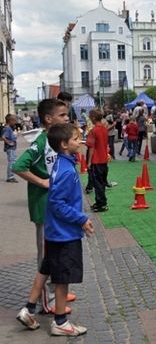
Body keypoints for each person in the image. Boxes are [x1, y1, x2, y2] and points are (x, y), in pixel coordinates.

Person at [16, 123, 93, 336]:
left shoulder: (61, 163)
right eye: (76, 139)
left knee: (46, 269)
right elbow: (57, 203)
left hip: (54, 232)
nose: (80, 141)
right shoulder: (67, 170)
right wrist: (81, 219)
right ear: (64, 144)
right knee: (62, 277)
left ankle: (28, 309)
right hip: (64, 234)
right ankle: (60, 321)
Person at [12, 98, 72, 314]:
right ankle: (47, 301)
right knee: (47, 255)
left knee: (56, 250)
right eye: (62, 115)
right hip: (44, 208)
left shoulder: (54, 140)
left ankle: (57, 292)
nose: (67, 118)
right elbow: (18, 166)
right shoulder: (40, 142)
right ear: (48, 119)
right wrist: (42, 182)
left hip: (56, 206)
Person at [86, 109, 109, 212]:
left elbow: (91, 147)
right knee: (102, 182)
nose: (90, 118)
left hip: (96, 160)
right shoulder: (104, 129)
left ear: (94, 118)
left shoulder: (93, 131)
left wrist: (89, 161)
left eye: (90, 117)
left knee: (97, 183)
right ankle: (100, 202)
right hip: (104, 160)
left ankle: (101, 204)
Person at [2, 113, 18, 182]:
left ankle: (11, 176)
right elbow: (3, 137)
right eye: (14, 121)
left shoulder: (9, 128)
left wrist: (15, 136)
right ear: (10, 121)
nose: (15, 122)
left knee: (13, 161)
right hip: (10, 148)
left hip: (12, 148)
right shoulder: (7, 128)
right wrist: (9, 143)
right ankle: (10, 177)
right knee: (12, 162)